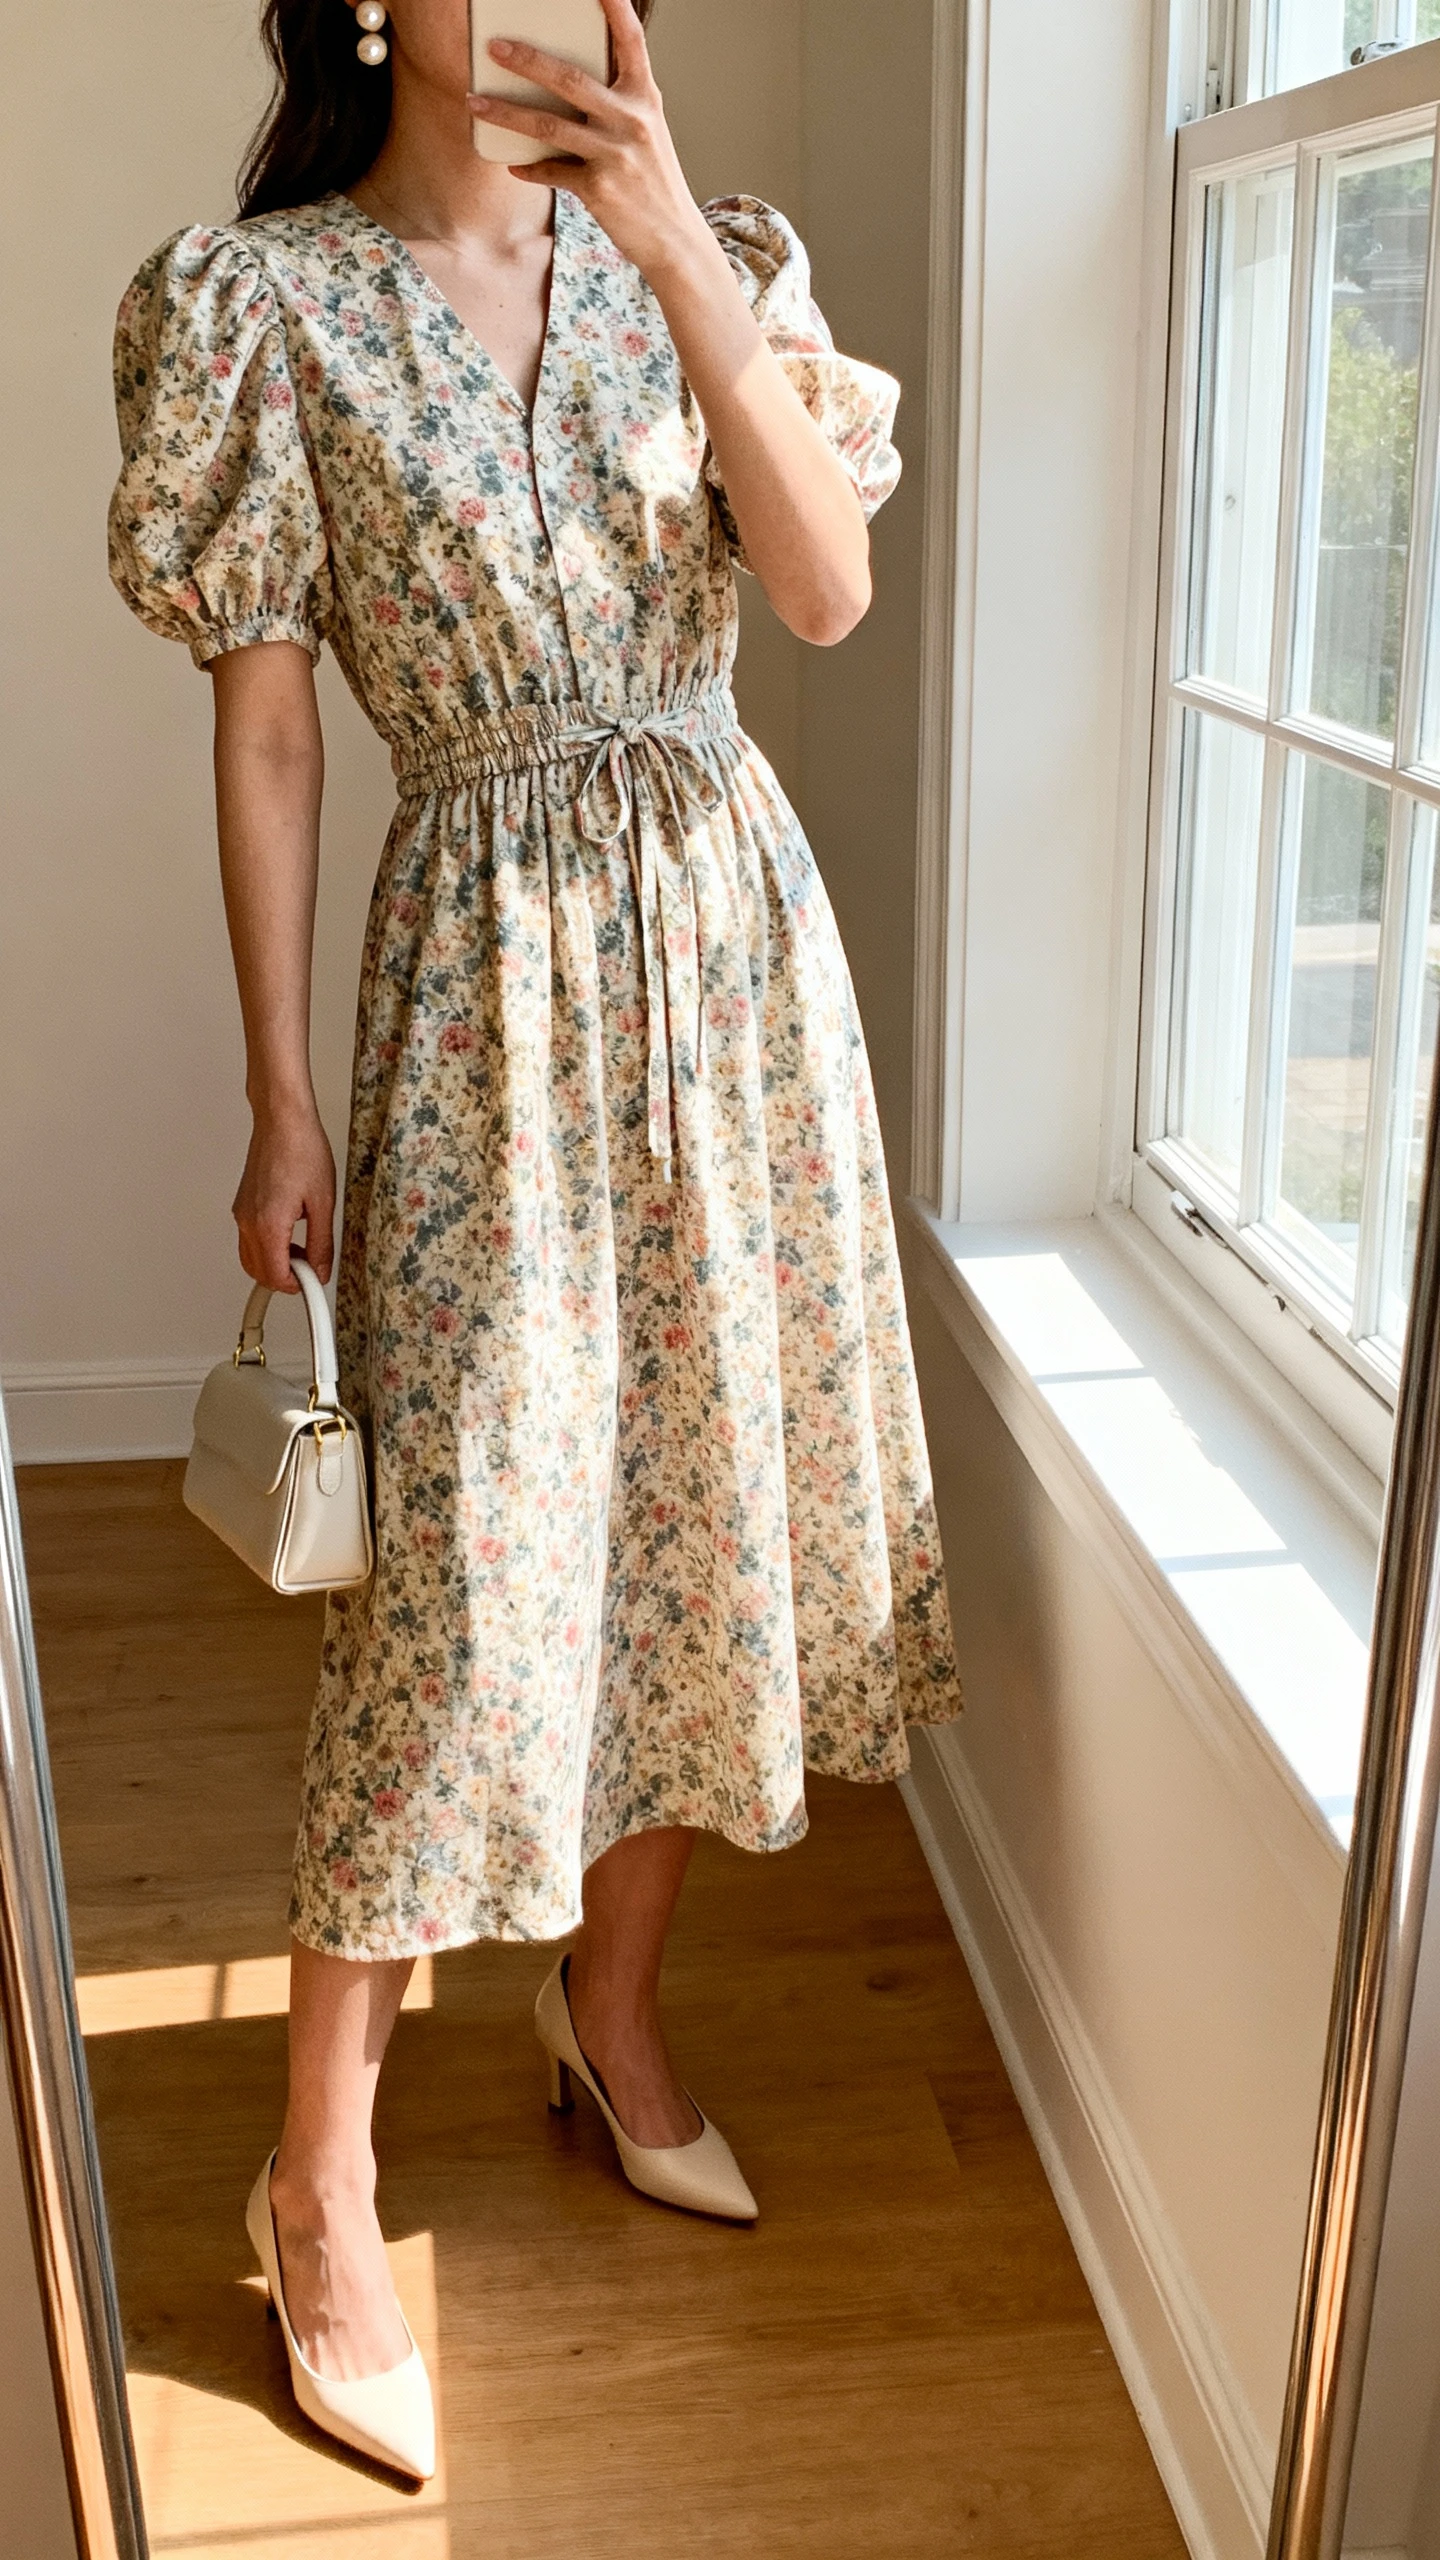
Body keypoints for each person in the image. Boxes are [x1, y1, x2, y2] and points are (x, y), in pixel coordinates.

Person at [109, 0, 963, 2481]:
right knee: (472, 1570)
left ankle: (615, 2006)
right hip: (478, 969)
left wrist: (678, 243)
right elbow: (270, 729)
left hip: (731, 950)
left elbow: (818, 594)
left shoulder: (726, 259)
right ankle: (322, 2171)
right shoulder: (256, 305)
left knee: (701, 1509)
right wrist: (278, 1090)